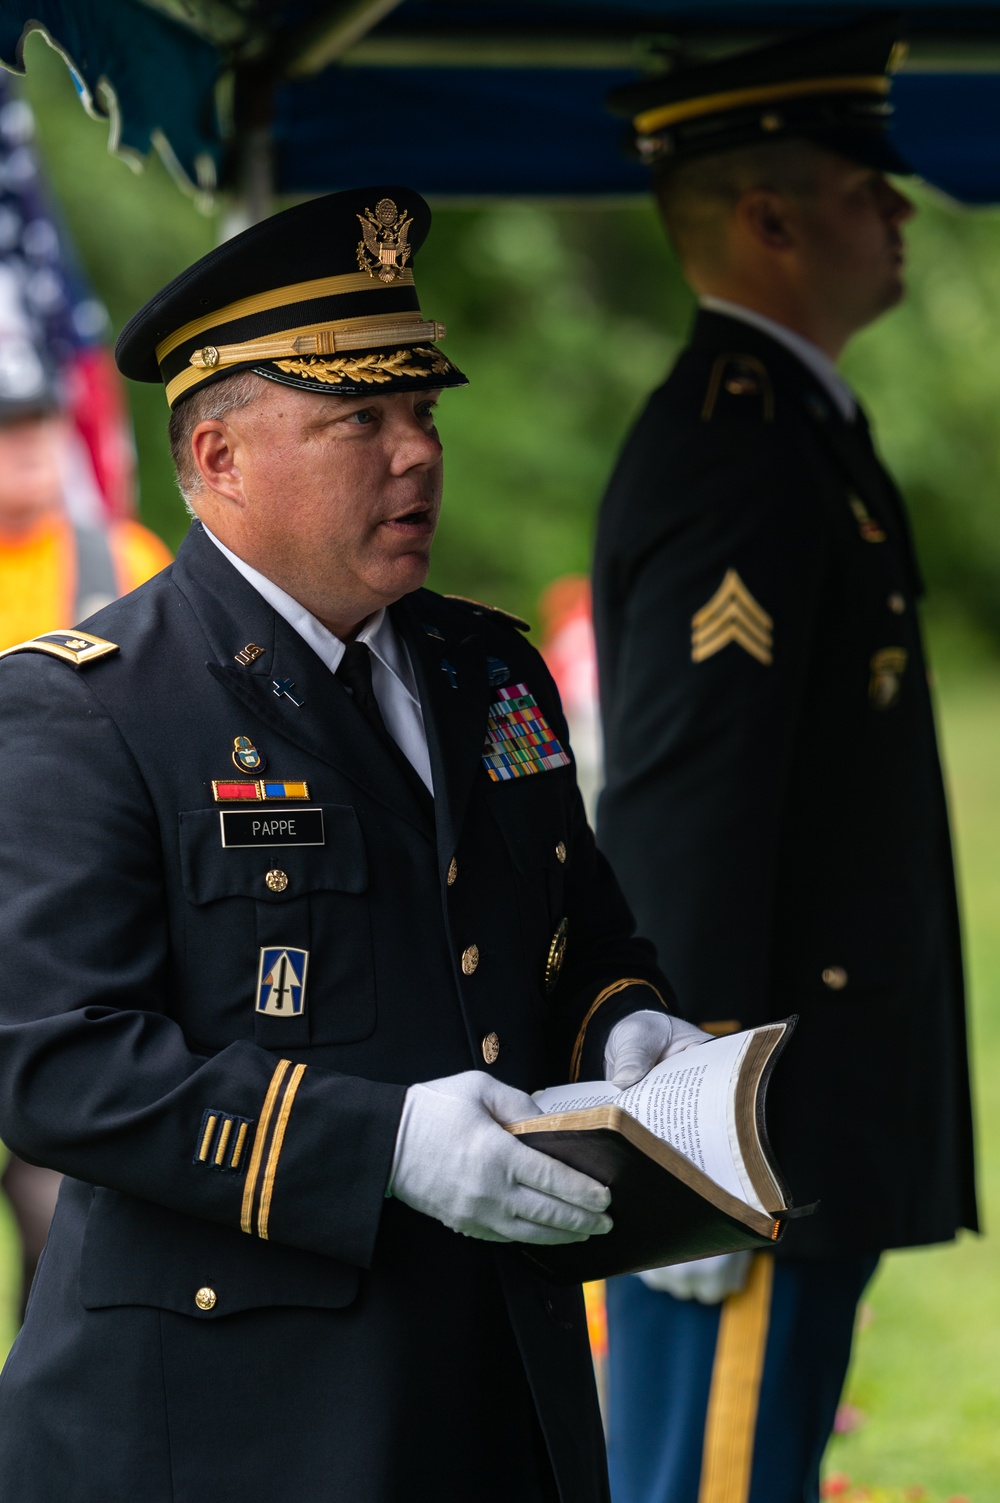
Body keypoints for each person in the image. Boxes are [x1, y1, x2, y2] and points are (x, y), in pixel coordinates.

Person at [0, 185, 707, 1502]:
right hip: (234, 1418)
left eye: (423, 410)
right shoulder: (86, 702)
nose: (416, 454)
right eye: (357, 420)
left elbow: (577, 927)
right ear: (216, 459)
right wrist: (376, 1141)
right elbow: (59, 1062)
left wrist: (625, 1025)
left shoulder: (486, 664)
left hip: (497, 1376)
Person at [593, 19, 977, 1503]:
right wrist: (687, 1155)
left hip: (804, 1098)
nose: (900, 212)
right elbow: (689, 806)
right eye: (863, 186)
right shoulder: (738, 451)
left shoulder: (798, 428)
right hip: (750, 1121)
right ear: (767, 221)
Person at [0, 284, 169, 1321]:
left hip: (65, 926)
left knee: (66, 1209)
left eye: (35, 429)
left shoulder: (126, 563)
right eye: (4, 434)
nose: (23, 455)